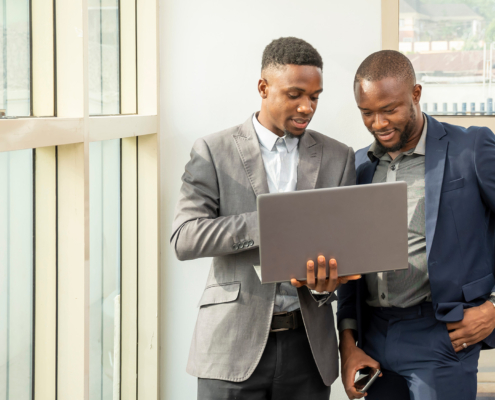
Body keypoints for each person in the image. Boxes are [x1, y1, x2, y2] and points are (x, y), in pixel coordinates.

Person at [171, 37, 358, 399]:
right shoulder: (213, 151)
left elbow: (343, 251)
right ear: (263, 87)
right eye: (295, 94)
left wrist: (326, 285)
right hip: (230, 347)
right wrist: (271, 222)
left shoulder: (339, 157)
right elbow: (185, 238)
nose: (307, 107)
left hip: (308, 352)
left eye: (315, 97)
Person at [337, 50, 495, 400]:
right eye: (367, 113)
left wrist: (494, 307)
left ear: (416, 94)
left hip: (441, 336)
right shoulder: (358, 167)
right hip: (374, 340)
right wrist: (347, 346)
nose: (378, 123)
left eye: (389, 109)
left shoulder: (471, 147)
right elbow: (349, 268)